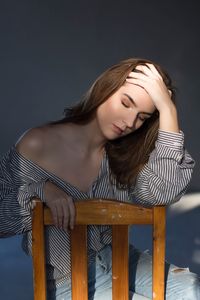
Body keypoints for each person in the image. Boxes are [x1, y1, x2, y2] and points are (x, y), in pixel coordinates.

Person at [0, 58, 199, 299]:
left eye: (142, 117)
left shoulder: (123, 156)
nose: (129, 123)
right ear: (105, 89)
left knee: (192, 290)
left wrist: (168, 109)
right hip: (70, 282)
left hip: (123, 259)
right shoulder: (37, 143)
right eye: (126, 103)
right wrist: (38, 190)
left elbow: (164, 192)